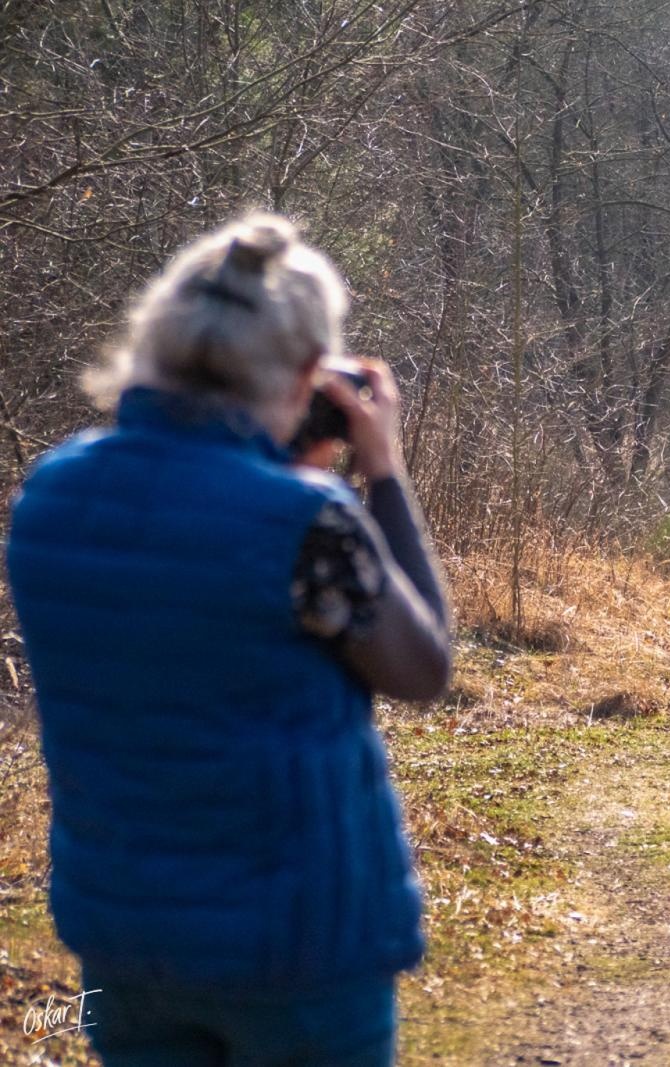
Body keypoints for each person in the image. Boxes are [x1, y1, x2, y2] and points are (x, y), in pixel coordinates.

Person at [5, 213, 451, 1065]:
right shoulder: (305, 522)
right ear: (300, 372)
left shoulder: (53, 491)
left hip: (119, 937)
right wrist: (381, 472)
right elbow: (422, 665)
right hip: (293, 948)